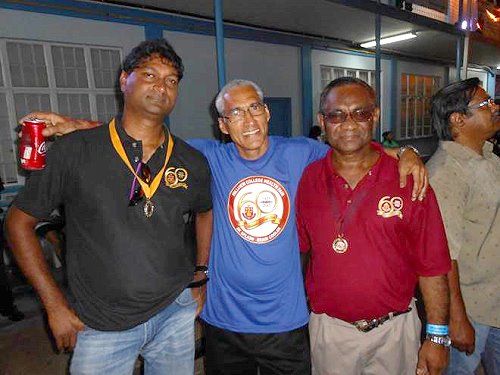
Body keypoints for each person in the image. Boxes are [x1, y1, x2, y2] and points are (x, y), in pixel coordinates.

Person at [23, 79, 427, 374]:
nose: (248, 119)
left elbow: (352, 144)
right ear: (222, 124)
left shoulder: (300, 152)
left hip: (286, 322)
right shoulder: (206, 158)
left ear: (267, 113)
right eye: (235, 112)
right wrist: (74, 124)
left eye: (255, 108)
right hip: (223, 319)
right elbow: (139, 136)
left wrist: (404, 151)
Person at [6, 39, 212, 375]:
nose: (161, 86)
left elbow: (206, 211)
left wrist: (201, 275)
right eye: (150, 74)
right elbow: (18, 223)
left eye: (171, 80)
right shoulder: (76, 151)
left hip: (174, 311)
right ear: (124, 80)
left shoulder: (192, 160)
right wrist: (54, 304)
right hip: (101, 324)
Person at [296, 77, 452, 375]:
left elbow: (432, 265)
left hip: (395, 332)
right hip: (330, 333)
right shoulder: (308, 180)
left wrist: (436, 336)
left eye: (361, 113)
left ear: (375, 115)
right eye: (336, 114)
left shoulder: (409, 180)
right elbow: (300, 251)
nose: (349, 123)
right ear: (322, 121)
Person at [426, 78, 500, 375]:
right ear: (458, 120)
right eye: (486, 104)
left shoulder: (488, 158)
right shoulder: (446, 173)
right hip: (472, 309)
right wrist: (456, 319)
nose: (495, 107)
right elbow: (444, 256)